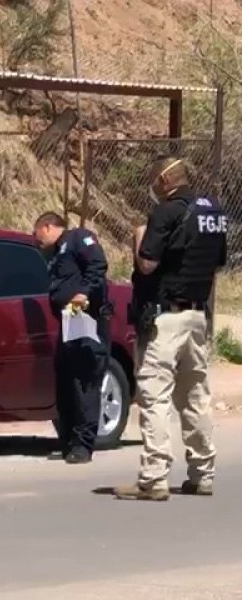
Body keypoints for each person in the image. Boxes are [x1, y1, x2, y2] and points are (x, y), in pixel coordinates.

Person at [114, 156, 227, 502]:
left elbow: (147, 264)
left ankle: (154, 478)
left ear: (164, 181)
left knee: (155, 396)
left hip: (165, 317)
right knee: (195, 396)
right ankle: (202, 474)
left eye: (153, 180)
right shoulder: (213, 212)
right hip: (197, 316)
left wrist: (138, 240)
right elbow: (218, 263)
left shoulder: (166, 212)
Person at [33, 212, 110, 464]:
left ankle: (84, 445)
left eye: (37, 235)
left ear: (46, 227)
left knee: (84, 383)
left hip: (87, 322)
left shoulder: (78, 238)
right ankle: (68, 441)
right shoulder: (56, 254)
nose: (36, 242)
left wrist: (83, 293)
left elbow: (97, 265)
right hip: (69, 324)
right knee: (65, 382)